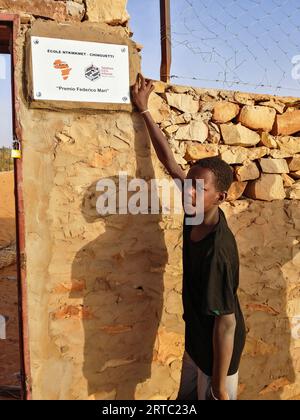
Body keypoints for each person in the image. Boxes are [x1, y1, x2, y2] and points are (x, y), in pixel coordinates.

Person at [131, 74, 246, 401]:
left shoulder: (217, 251)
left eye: (200, 188)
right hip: (197, 342)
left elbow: (226, 324)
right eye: (190, 184)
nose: (189, 191)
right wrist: (144, 111)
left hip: (219, 356)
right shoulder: (198, 210)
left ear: (220, 197)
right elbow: (170, 164)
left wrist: (220, 387)